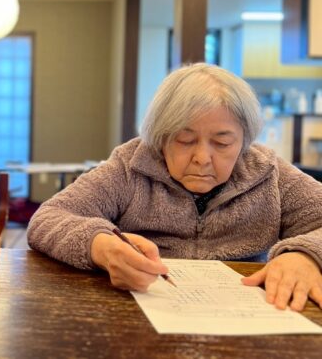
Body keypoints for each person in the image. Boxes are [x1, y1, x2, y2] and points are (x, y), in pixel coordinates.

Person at [27, 63, 322, 312]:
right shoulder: (129, 168)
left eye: (222, 143)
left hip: (252, 313)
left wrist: (305, 254)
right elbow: (48, 218)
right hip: (139, 311)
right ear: (161, 136)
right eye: (185, 140)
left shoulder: (268, 173)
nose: (202, 158)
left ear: (244, 140)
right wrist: (100, 246)